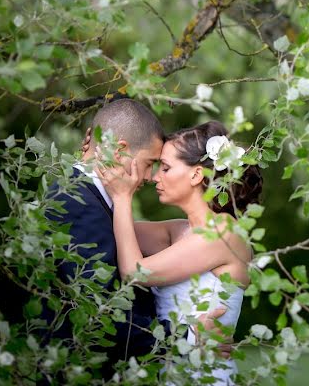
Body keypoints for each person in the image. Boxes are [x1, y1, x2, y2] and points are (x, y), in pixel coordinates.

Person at [41, 99, 228, 380]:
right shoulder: (76, 203)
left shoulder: (85, 199)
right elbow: (100, 316)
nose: (152, 177)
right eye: (150, 163)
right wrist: (185, 339)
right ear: (120, 152)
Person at [97, 120, 260, 385]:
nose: (154, 177)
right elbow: (111, 230)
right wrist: (100, 164)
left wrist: (124, 197)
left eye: (166, 168)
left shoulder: (222, 232)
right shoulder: (180, 231)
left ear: (196, 175)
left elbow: (133, 271)